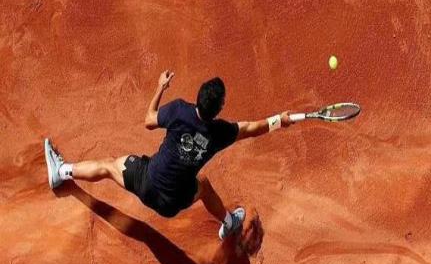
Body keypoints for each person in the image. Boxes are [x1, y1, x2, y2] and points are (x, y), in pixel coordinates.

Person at [44, 70, 294, 239]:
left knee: (109, 166)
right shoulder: (220, 132)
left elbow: (149, 120)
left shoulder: (179, 111)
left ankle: (62, 172)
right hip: (173, 203)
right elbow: (250, 128)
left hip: (146, 183)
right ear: (219, 108)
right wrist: (279, 121)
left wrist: (160, 88)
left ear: (198, 98)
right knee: (204, 186)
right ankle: (229, 223)